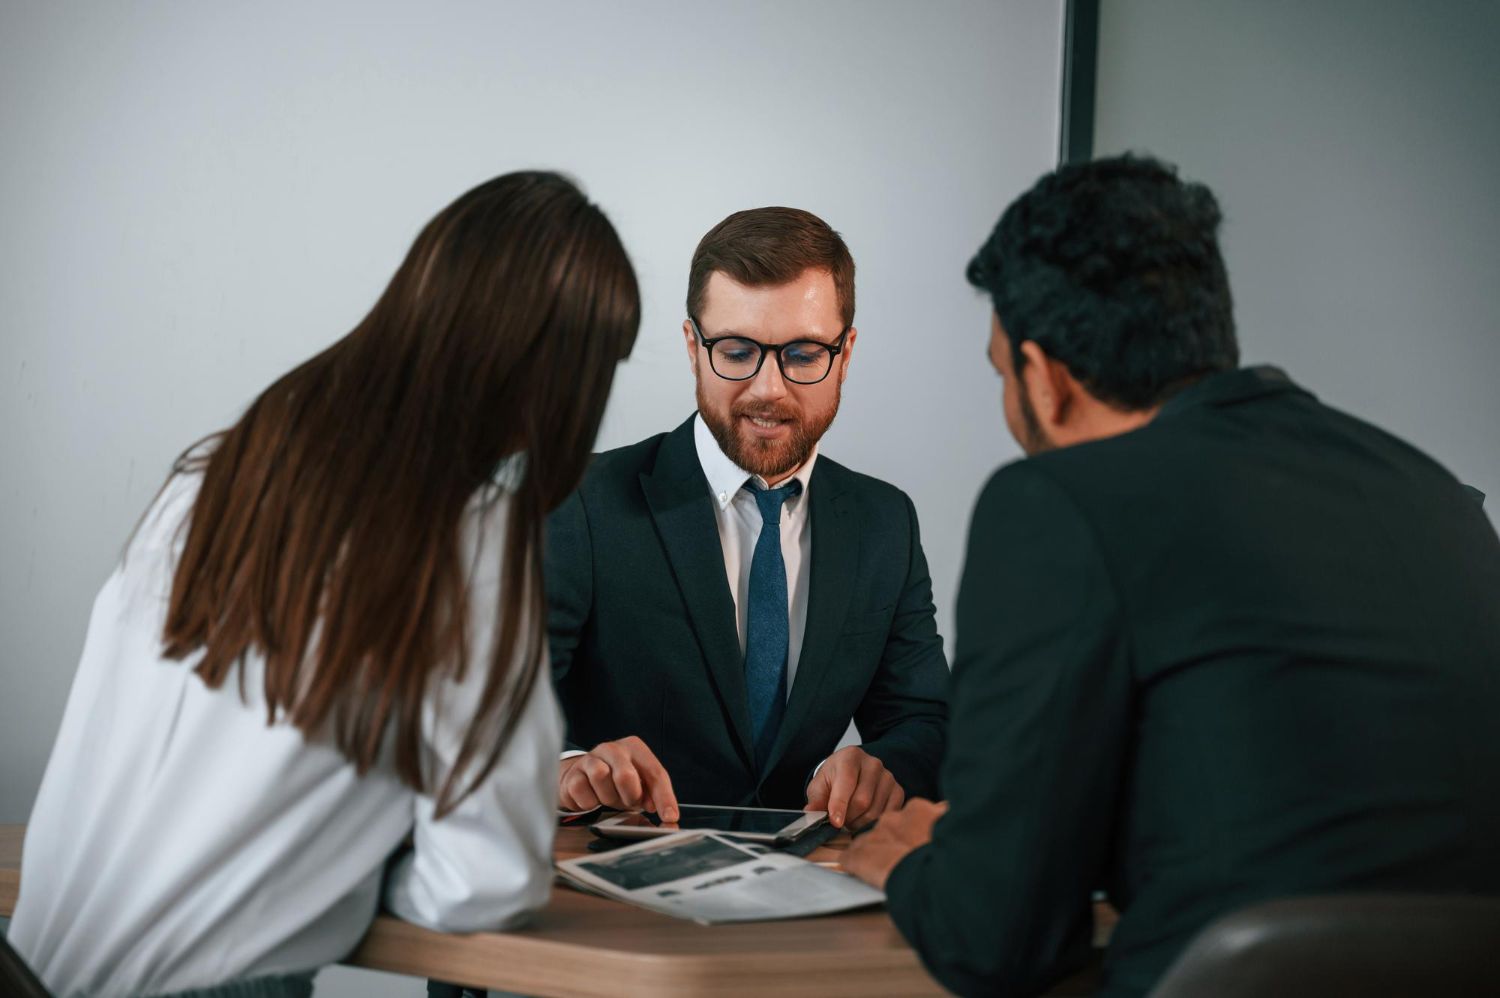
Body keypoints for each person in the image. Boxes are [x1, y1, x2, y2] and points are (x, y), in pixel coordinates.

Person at [841, 154, 1500, 997]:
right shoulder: (1434, 495)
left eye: (1002, 374)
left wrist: (919, 863)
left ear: (1045, 381)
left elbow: (992, 939)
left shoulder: (1055, 504)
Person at [9, 171, 641, 997]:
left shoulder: (224, 468)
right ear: (559, 377)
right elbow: (488, 879)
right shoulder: (471, 534)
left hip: (32, 962)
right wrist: (361, 888)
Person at [546, 207, 948, 830]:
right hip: (618, 888)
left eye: (804, 353)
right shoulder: (582, 499)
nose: (769, 388)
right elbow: (491, 717)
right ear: (691, 348)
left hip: (811, 893)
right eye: (736, 351)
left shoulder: (884, 521)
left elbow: (922, 720)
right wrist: (568, 768)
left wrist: (881, 764)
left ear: (846, 353)